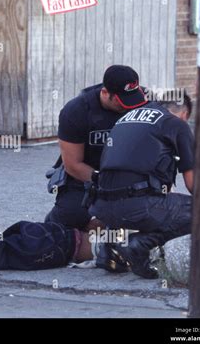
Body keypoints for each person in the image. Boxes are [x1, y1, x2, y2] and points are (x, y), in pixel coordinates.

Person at [44, 65, 149, 271]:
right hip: (85, 178)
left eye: (132, 100)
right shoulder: (76, 111)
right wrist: (105, 183)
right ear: (105, 93)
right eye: (122, 103)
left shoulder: (141, 103)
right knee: (62, 227)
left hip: (127, 174)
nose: (129, 107)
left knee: (151, 211)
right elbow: (73, 165)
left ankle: (112, 232)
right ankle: (73, 225)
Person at [89, 89, 194, 279]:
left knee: (144, 196)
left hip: (102, 207)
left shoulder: (127, 118)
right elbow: (192, 184)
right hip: (136, 207)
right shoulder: (176, 124)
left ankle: (110, 249)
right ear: (185, 114)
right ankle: (141, 244)